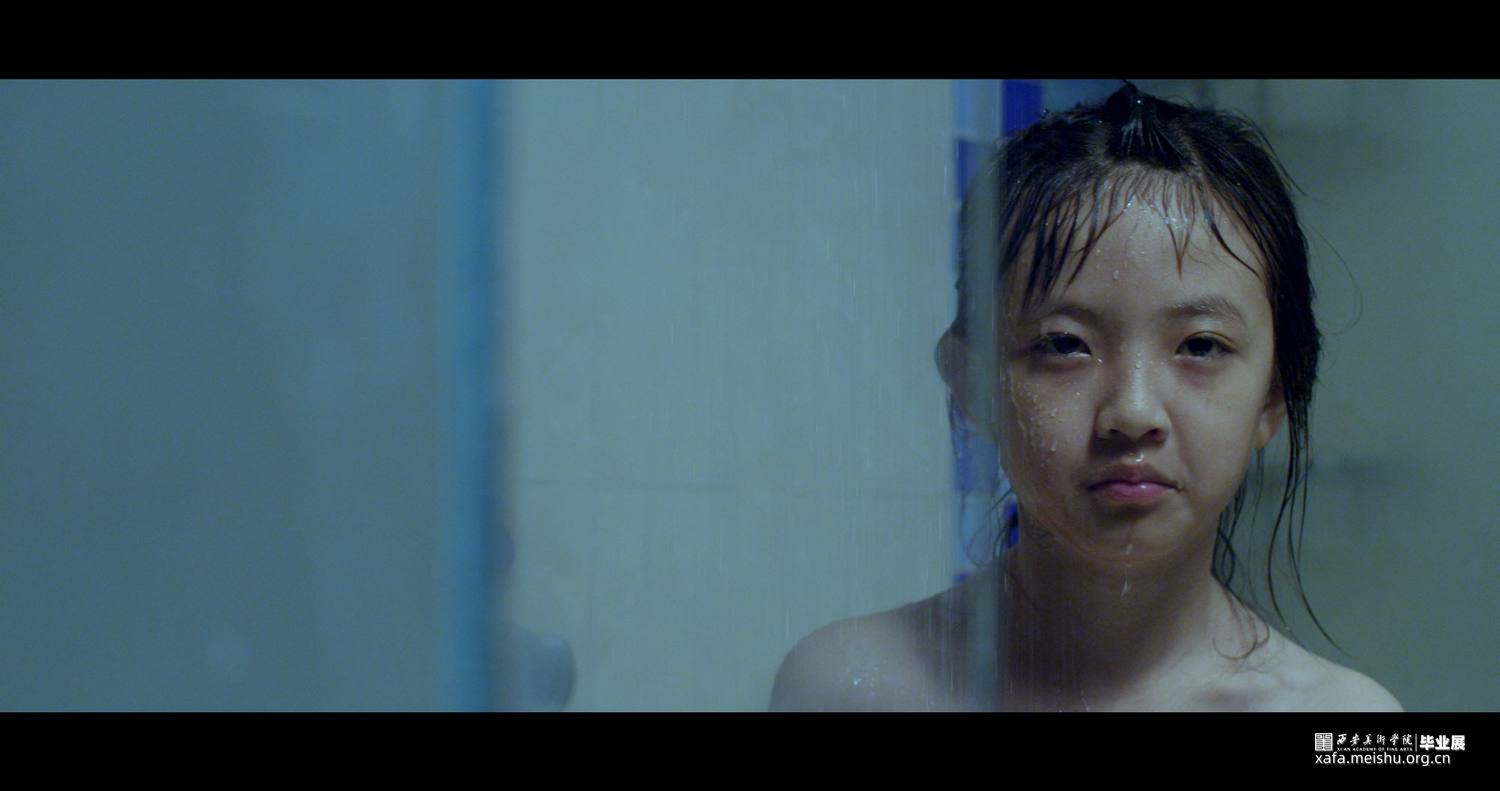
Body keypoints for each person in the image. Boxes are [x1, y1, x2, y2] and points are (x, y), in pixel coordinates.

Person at [770, 83, 1402, 712]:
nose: (1133, 412)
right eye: (1065, 344)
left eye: (1201, 346)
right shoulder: (845, 686)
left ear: (1273, 397)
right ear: (972, 387)